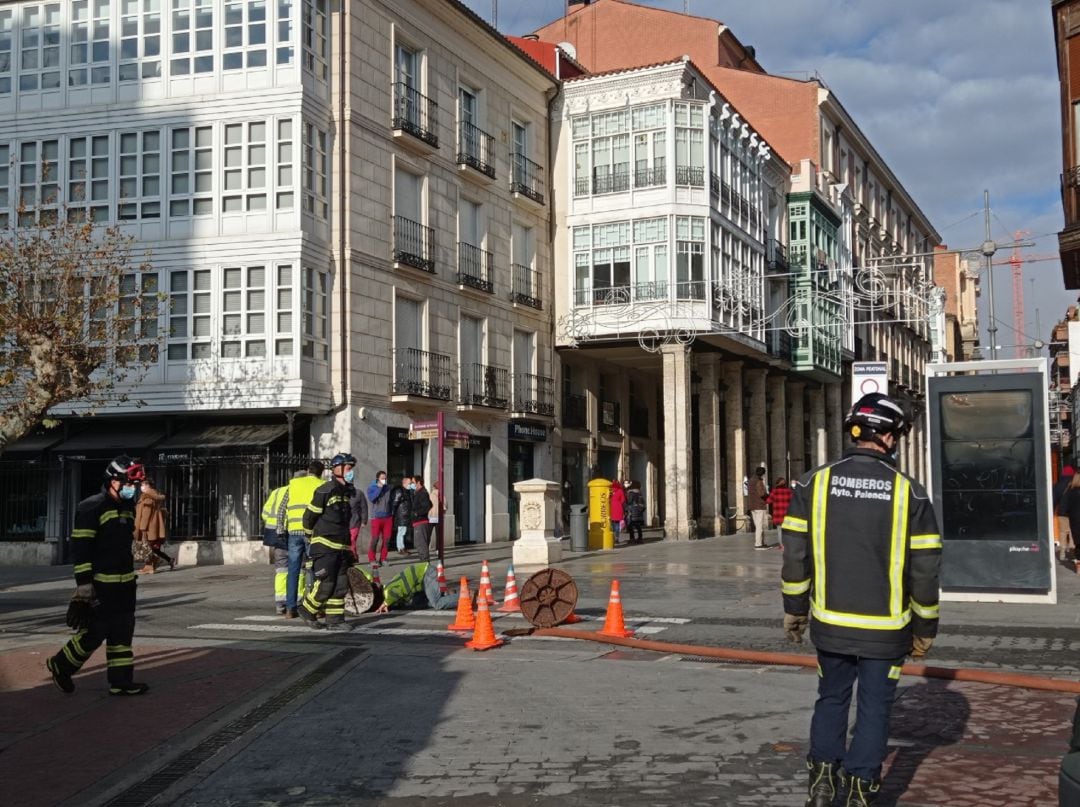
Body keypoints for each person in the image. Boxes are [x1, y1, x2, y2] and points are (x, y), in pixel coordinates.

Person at [781, 392, 941, 807]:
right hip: (886, 632)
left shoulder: (813, 483)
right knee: (874, 708)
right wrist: (924, 627)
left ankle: (820, 783)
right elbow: (925, 572)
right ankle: (859, 790)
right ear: (886, 436)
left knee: (831, 698)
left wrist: (795, 609)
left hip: (830, 625)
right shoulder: (912, 494)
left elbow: (796, 555)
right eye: (896, 436)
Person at [46, 456, 150, 696]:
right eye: (128, 483)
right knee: (95, 632)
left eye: (134, 485)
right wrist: (84, 586)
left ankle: (121, 681)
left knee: (122, 634)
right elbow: (81, 549)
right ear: (113, 481)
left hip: (125, 585)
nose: (131, 488)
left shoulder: (127, 508)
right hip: (101, 585)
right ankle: (61, 665)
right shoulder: (91, 507)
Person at [299, 453, 357, 632]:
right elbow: (308, 518)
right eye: (348, 469)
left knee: (340, 586)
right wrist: (310, 538)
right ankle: (307, 610)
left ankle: (335, 620)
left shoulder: (346, 493)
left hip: (341, 547)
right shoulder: (325, 490)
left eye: (351, 469)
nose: (351, 472)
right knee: (326, 584)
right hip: (324, 546)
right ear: (337, 469)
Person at [279, 461, 324, 618]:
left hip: (293, 532)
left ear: (308, 470)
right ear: (321, 473)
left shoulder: (294, 484)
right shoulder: (322, 485)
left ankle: (291, 609)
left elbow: (282, 508)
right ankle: (314, 608)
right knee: (313, 569)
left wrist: (280, 530)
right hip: (312, 533)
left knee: (293, 570)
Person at [261, 478, 293, 615]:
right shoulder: (296, 491)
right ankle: (296, 601)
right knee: (300, 569)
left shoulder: (277, 491)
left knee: (281, 569)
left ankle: (280, 603)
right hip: (291, 533)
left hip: (275, 535)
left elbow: (265, 513)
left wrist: (272, 525)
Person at [134, 476, 173, 574]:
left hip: (148, 526)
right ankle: (153, 564)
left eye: (142, 485)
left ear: (148, 485)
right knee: (151, 547)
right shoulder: (153, 495)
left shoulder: (148, 497)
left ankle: (149, 566)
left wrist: (142, 528)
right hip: (153, 525)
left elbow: (146, 514)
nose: (141, 487)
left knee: (147, 547)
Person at [366, 470, 393, 567]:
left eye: (385, 478)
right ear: (377, 478)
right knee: (375, 539)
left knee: (387, 539)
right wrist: (379, 489)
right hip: (376, 517)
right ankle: (372, 559)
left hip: (388, 517)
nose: (384, 480)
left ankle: (383, 558)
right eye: (382, 478)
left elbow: (391, 501)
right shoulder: (371, 488)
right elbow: (372, 498)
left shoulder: (388, 488)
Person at [1054, 465, 1076, 562]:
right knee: (1073, 532)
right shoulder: (1075, 484)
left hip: (1062, 512)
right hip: (1074, 512)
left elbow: (1054, 499)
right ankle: (1073, 552)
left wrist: (1052, 510)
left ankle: (1062, 552)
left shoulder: (1058, 485)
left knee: (1063, 532)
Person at [409, 475, 433, 562]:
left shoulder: (422, 493)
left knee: (421, 544)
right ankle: (423, 562)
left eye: (413, 482)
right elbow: (430, 504)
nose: (411, 484)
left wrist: (416, 513)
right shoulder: (418, 493)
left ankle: (425, 563)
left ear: (418, 482)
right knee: (418, 544)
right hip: (417, 522)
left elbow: (427, 506)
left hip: (421, 522)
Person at [1060, 472, 1080, 568]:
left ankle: (1078, 565)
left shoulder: (1069, 493)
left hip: (1075, 522)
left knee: (1078, 543)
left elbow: (1063, 508)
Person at [766, 477, 792, 550]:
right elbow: (793, 500)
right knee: (787, 530)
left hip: (778, 514)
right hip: (787, 513)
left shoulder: (774, 492)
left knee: (779, 530)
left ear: (777, 484)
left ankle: (781, 545)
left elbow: (768, 501)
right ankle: (787, 544)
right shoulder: (788, 491)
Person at [389, 475, 413, 556]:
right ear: (404, 483)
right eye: (410, 483)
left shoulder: (407, 491)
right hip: (401, 516)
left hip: (405, 515)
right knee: (401, 532)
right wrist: (392, 514)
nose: (411, 484)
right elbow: (395, 503)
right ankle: (400, 548)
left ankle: (402, 547)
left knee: (403, 532)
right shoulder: (400, 491)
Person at [747, 466, 769, 549]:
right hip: (759, 505)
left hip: (752, 505)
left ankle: (761, 542)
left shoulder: (750, 480)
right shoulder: (758, 481)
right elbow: (761, 494)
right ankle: (758, 544)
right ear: (762, 473)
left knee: (758, 525)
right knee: (759, 526)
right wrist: (767, 495)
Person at [349, 483, 368, 559]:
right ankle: (354, 556)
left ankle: (353, 557)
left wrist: (364, 521)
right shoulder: (341, 493)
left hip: (355, 521)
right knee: (348, 541)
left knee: (352, 540)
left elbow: (364, 508)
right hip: (344, 522)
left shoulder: (359, 493)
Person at [624, 480, 646, 544]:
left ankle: (632, 538)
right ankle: (640, 538)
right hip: (639, 511)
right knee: (638, 526)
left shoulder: (631, 493)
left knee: (630, 525)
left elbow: (629, 502)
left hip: (632, 511)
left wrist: (625, 506)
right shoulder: (639, 493)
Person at [610, 479, 627, 545]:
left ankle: (612, 537)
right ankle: (616, 538)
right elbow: (623, 500)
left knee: (612, 524)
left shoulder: (610, 490)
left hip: (611, 509)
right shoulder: (620, 491)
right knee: (617, 524)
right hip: (618, 509)